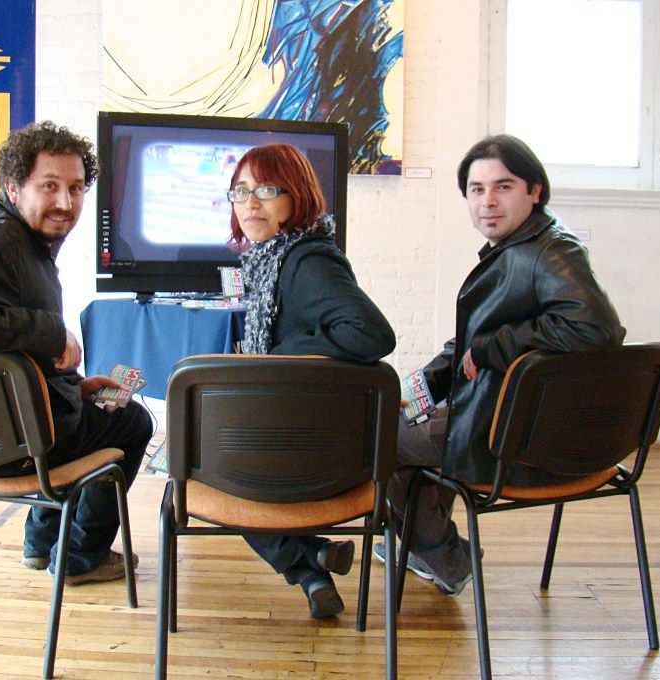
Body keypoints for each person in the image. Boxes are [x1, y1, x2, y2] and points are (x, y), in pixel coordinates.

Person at [375, 134, 626, 597]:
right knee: (410, 418)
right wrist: (421, 387)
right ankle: (434, 548)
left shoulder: (550, 252)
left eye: (503, 186)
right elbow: (471, 343)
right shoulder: (522, 247)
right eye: (477, 189)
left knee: (379, 434)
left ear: (534, 190)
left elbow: (597, 329)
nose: (487, 201)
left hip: (517, 443)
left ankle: (440, 553)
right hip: (511, 423)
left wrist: (496, 346)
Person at [0, 121, 153, 585]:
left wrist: (76, 386)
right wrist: (54, 333)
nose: (65, 203)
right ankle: (79, 557)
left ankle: (42, 544)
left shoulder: (17, 237)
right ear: (13, 187)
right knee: (132, 422)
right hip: (5, 446)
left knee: (88, 411)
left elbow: (5, 346)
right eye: (49, 186)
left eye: (75, 188)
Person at [227, 143, 396, 619]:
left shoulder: (307, 261)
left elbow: (372, 333)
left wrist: (280, 358)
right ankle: (314, 568)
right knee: (220, 451)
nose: (250, 204)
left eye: (266, 190)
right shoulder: (274, 258)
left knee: (211, 467)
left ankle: (309, 561)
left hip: (312, 450)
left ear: (296, 194)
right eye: (240, 191)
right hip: (301, 435)